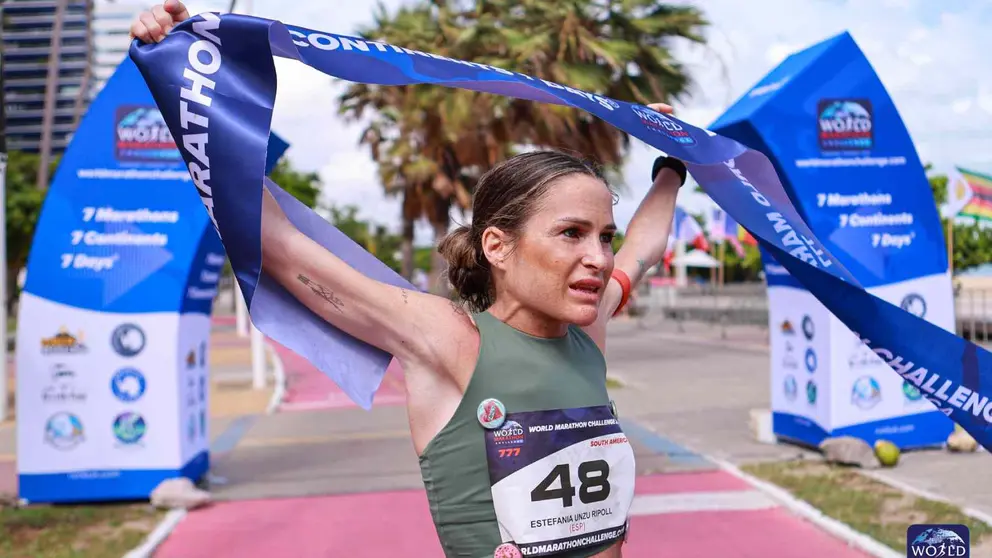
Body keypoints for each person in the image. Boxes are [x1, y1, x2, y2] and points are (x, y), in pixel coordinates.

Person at [132, 3, 687, 556]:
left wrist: (673, 166)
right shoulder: (450, 339)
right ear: (497, 245)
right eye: (572, 233)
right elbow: (279, 244)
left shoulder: (588, 333)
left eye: (603, 236)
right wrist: (182, 89)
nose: (598, 257)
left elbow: (642, 250)